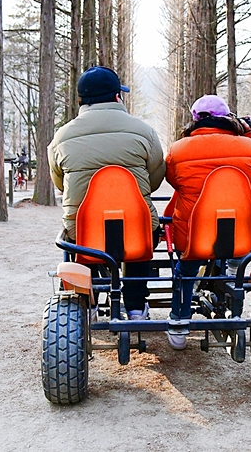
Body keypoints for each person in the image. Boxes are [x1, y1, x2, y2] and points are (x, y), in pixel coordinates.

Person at [48, 66, 166, 320]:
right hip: (138, 230)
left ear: (81, 101)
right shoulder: (144, 131)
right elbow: (155, 178)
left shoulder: (61, 137)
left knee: (80, 234)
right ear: (117, 97)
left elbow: (60, 183)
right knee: (139, 230)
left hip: (84, 232)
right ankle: (135, 306)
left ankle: (86, 301)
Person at [164, 94, 251, 349]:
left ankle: (179, 323)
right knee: (235, 259)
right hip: (240, 233)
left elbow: (174, 182)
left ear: (194, 121)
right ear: (229, 118)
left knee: (185, 271)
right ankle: (230, 285)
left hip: (194, 234)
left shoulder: (177, 150)